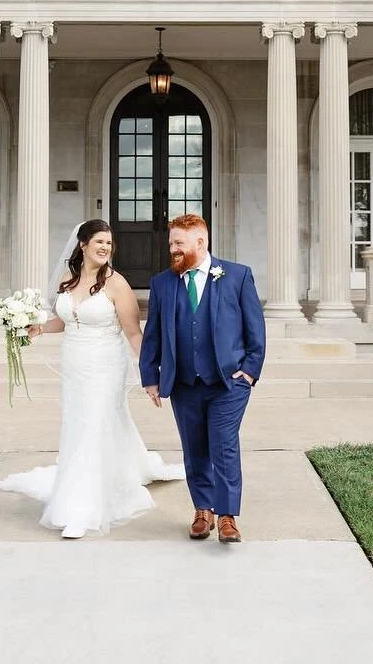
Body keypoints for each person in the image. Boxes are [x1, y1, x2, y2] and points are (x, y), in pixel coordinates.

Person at [0, 219, 184, 539]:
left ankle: (80, 509)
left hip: (106, 365)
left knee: (93, 427)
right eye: (99, 242)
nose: (104, 248)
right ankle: (129, 466)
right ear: (82, 244)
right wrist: (38, 328)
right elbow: (66, 320)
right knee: (79, 425)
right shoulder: (69, 279)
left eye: (109, 243)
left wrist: (151, 372)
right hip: (74, 365)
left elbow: (134, 333)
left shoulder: (117, 284)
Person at [139, 213, 266, 544]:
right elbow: (152, 334)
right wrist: (150, 376)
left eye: (179, 244)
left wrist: (250, 371)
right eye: (171, 244)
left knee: (223, 445)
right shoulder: (163, 283)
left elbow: (256, 329)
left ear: (200, 242)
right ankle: (202, 510)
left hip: (228, 382)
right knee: (194, 448)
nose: (173, 250)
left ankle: (226, 516)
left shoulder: (237, 276)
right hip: (183, 382)